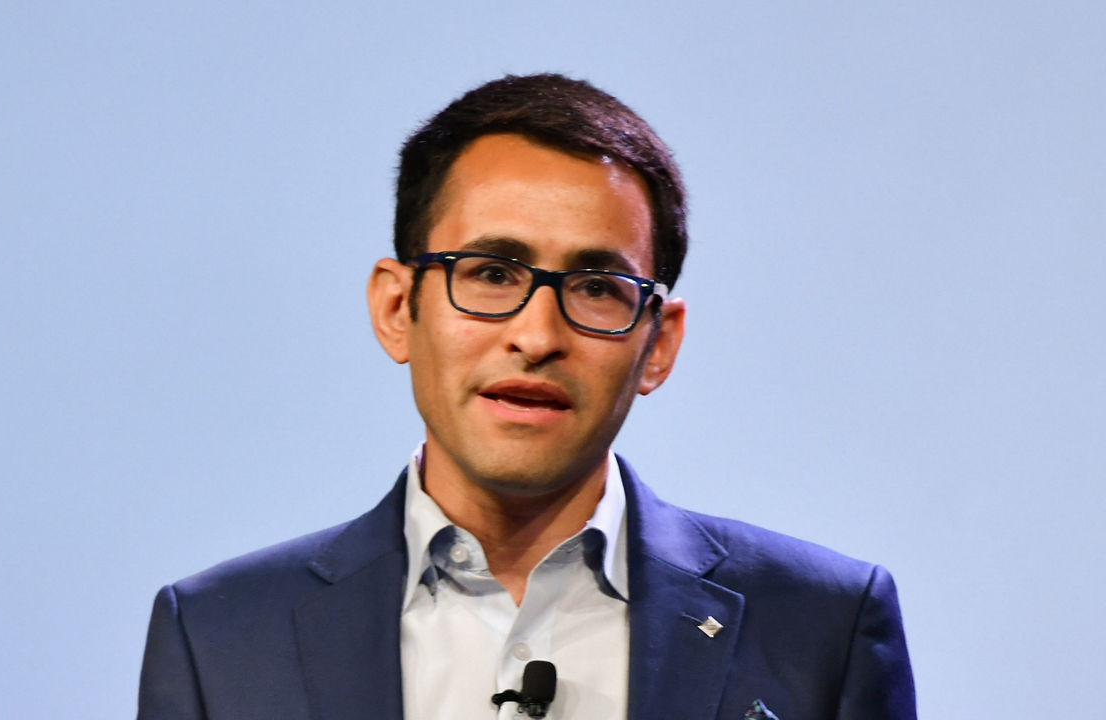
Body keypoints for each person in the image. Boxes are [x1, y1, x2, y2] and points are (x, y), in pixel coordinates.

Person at [137, 73, 915, 720]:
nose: (537, 334)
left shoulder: (823, 625)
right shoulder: (220, 638)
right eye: (492, 273)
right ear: (396, 308)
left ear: (659, 343)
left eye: (596, 287)